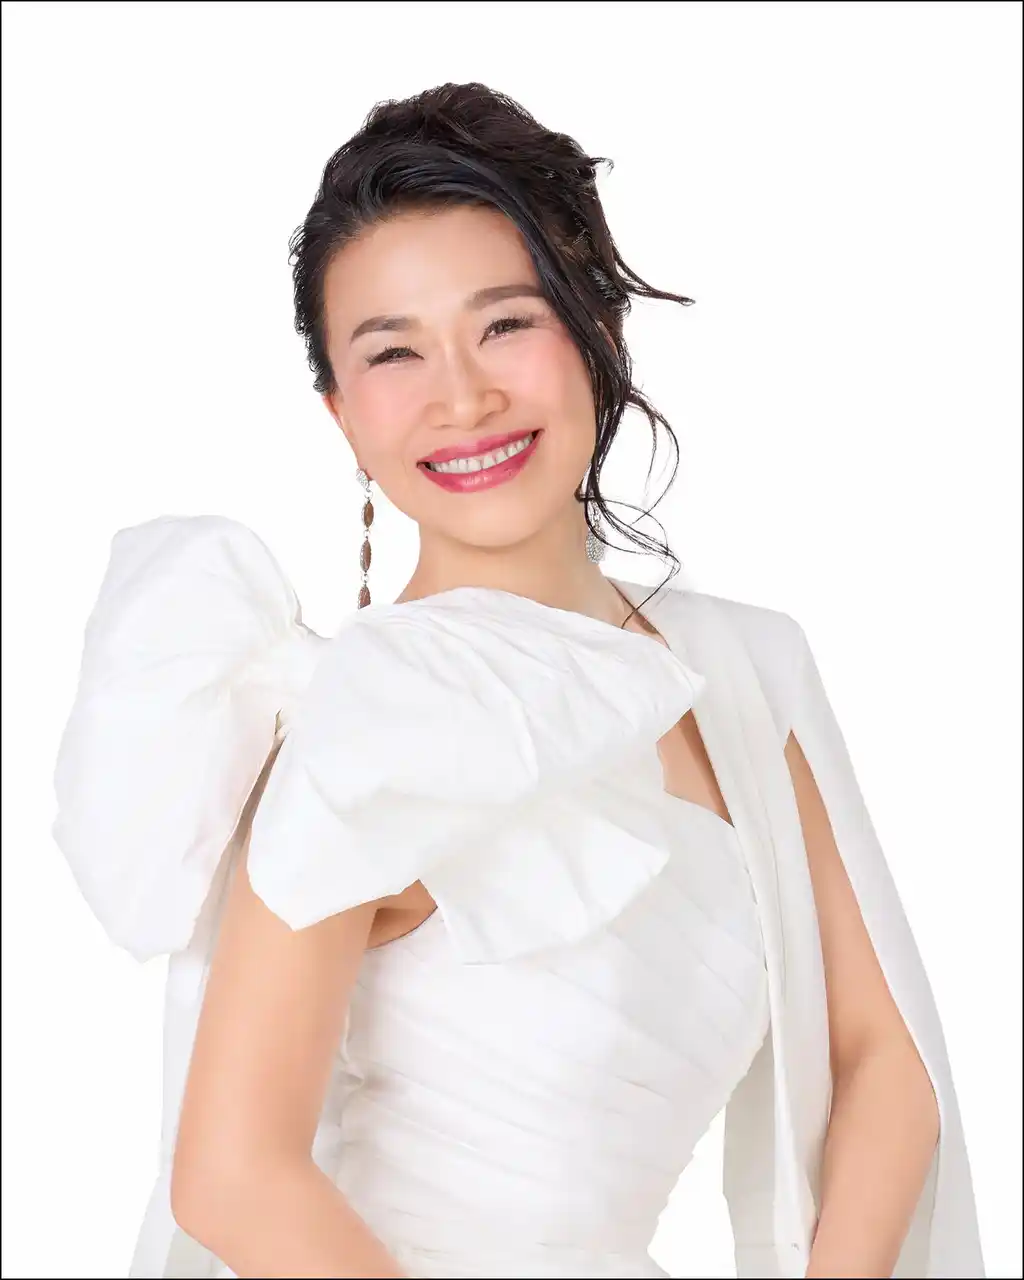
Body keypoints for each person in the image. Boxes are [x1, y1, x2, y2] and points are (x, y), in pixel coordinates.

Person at [51, 83, 985, 1280]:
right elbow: (232, 1175)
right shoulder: (365, 722)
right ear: (342, 416)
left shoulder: (743, 671)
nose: (462, 395)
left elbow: (881, 1060)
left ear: (598, 327)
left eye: (504, 324)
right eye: (394, 351)